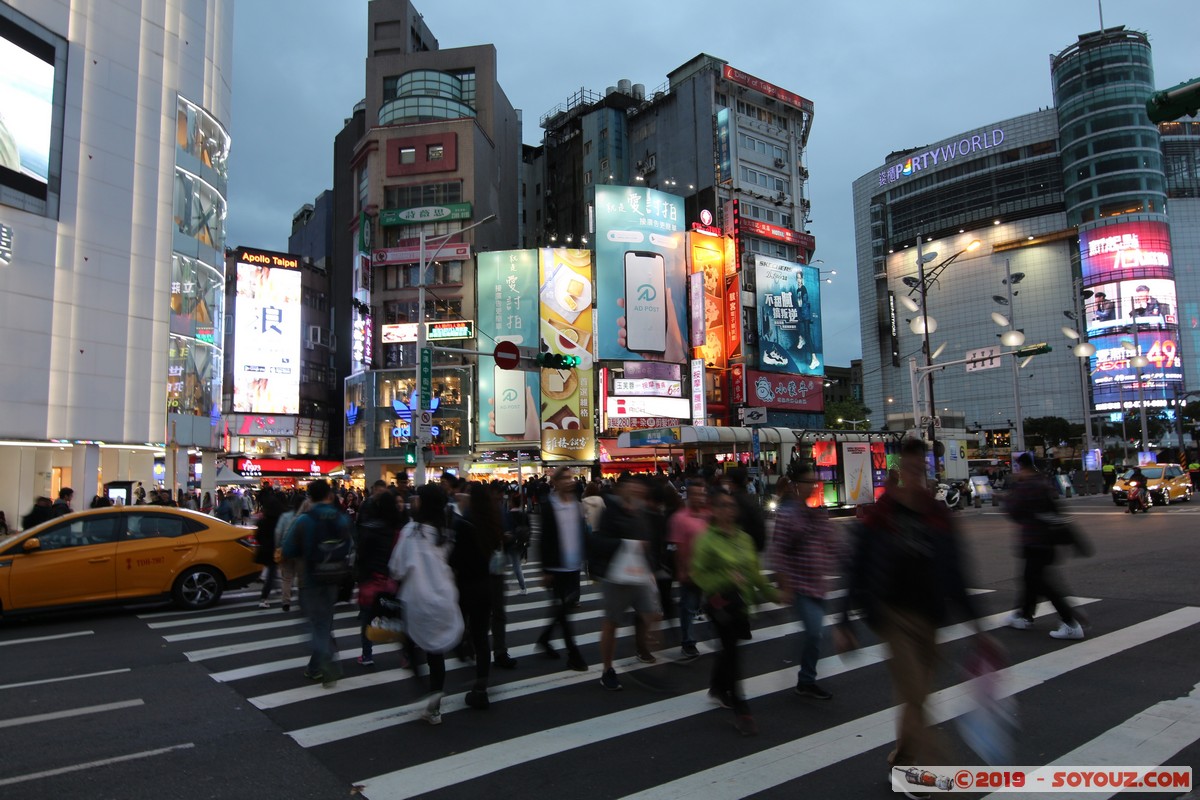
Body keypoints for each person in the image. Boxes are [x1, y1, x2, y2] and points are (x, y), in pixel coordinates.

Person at [835, 438, 983, 793]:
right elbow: (857, 566)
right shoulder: (882, 512)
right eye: (910, 467)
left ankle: (900, 763)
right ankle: (938, 773)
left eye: (921, 467)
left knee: (915, 698)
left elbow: (955, 569)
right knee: (915, 695)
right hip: (893, 615)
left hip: (929, 618)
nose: (916, 473)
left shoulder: (937, 514)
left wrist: (978, 626)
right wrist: (843, 621)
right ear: (900, 469)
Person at [691, 487, 778, 735]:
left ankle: (717, 686)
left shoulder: (743, 539)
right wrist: (722, 582)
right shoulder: (707, 539)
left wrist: (772, 594)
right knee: (732, 652)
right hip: (719, 602)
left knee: (729, 649)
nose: (730, 511)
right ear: (714, 510)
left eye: (732, 506)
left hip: (741, 602)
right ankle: (741, 707)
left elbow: (754, 573)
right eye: (724, 506)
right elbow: (698, 572)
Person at [389, 484, 464, 726]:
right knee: (436, 655)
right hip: (443, 596)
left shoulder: (412, 531)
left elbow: (397, 567)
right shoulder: (445, 530)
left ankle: (424, 689)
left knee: (410, 645)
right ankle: (435, 707)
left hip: (416, 599)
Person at [768, 471, 843, 700]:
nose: (812, 486)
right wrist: (785, 583)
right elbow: (778, 550)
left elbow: (831, 543)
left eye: (814, 482)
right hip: (799, 583)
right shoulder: (787, 514)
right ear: (796, 485)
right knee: (814, 632)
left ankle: (806, 678)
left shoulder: (817, 513)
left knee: (815, 634)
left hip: (817, 583)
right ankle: (806, 679)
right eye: (807, 482)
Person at [589, 475, 664, 690]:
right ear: (623, 489)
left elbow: (650, 541)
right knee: (611, 622)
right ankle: (607, 669)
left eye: (640, 488)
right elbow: (598, 542)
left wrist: (651, 565)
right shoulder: (610, 511)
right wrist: (627, 544)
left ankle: (647, 653)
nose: (637, 491)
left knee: (653, 614)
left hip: (640, 574)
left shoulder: (642, 511)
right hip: (616, 575)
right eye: (633, 487)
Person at [1002, 452, 1085, 641]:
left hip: (1034, 541)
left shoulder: (1027, 486)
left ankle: (1070, 622)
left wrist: (1010, 491)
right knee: (1030, 579)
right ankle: (1024, 616)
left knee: (1040, 582)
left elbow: (1012, 510)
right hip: (1047, 541)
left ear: (1022, 467)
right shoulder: (1043, 483)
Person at [283, 480, 354, 688]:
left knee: (311, 624)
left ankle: (326, 659)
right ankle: (317, 665)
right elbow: (350, 545)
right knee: (324, 622)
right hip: (334, 578)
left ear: (310, 497)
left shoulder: (304, 520)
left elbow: (287, 550)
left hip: (310, 578)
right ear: (329, 495)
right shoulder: (341, 518)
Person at [450, 484, 503, 709]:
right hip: (485, 584)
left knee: (461, 626)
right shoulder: (493, 521)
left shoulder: (465, 523)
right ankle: (481, 687)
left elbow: (455, 558)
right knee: (482, 636)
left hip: (465, 584)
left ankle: (463, 649)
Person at [535, 466, 588, 672]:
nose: (569, 481)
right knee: (564, 612)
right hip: (556, 567)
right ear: (555, 482)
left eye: (570, 477)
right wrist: (544, 570)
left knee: (562, 608)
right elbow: (543, 540)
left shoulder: (577, 505)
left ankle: (545, 638)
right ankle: (573, 654)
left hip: (573, 566)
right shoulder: (548, 506)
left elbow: (581, 534)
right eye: (564, 478)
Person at [667, 478, 710, 660]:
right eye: (695, 494)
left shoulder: (709, 515)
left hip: (710, 571)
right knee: (689, 607)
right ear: (688, 495)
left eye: (702, 493)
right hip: (691, 571)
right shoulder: (680, 517)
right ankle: (688, 641)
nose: (699, 497)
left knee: (711, 605)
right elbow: (676, 548)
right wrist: (682, 570)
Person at [275, 497, 310, 614]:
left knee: (286, 578)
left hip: (286, 550)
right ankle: (302, 601)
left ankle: (286, 601)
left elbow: (278, 533)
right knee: (301, 577)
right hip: (301, 553)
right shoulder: (307, 519)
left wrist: (278, 547)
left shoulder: (286, 516)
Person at [254, 489, 284, 608]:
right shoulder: (278, 521)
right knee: (272, 573)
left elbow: (258, 536)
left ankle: (277, 589)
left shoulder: (262, 521)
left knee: (272, 571)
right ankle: (264, 597)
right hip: (274, 549)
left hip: (263, 549)